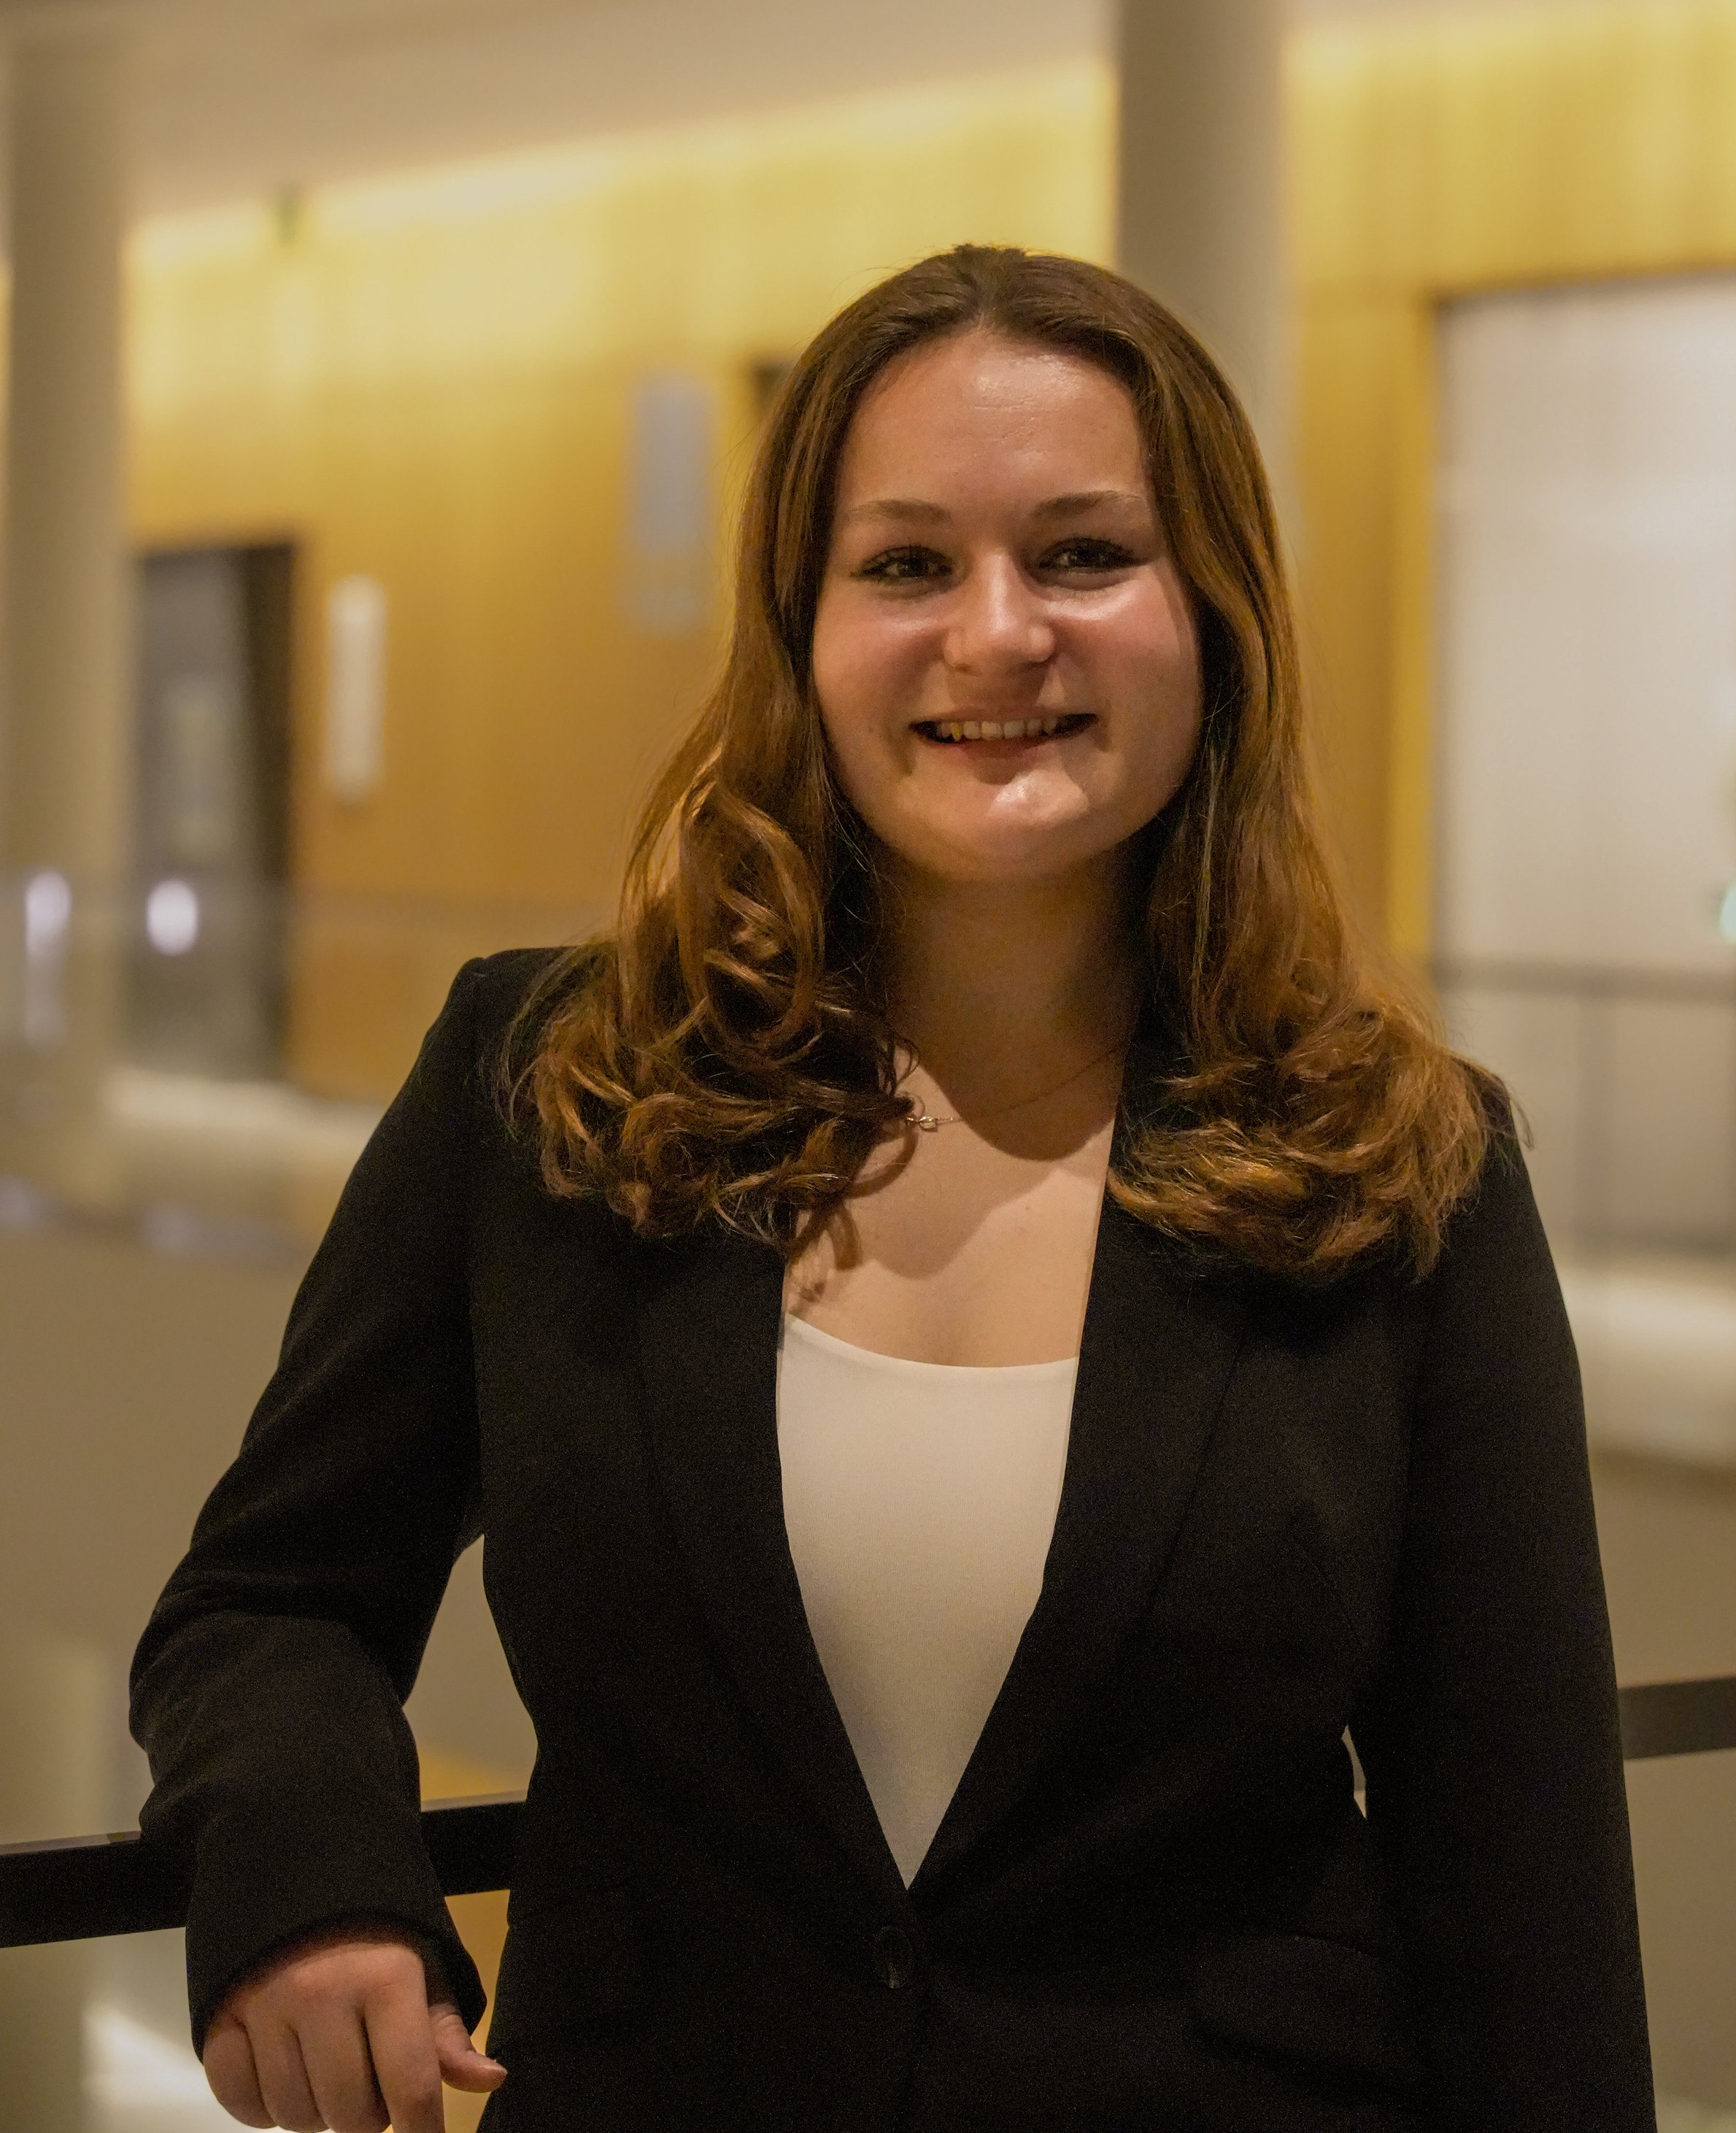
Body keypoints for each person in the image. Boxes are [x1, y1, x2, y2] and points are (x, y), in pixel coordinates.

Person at [131, 244, 1656, 2132]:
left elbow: (1523, 1883)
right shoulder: (545, 1085)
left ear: (1215, 619)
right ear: (803, 628)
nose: (995, 633)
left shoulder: (1408, 1168)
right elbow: (264, 1602)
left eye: (1084, 554)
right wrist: (309, 1878)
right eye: (908, 562)